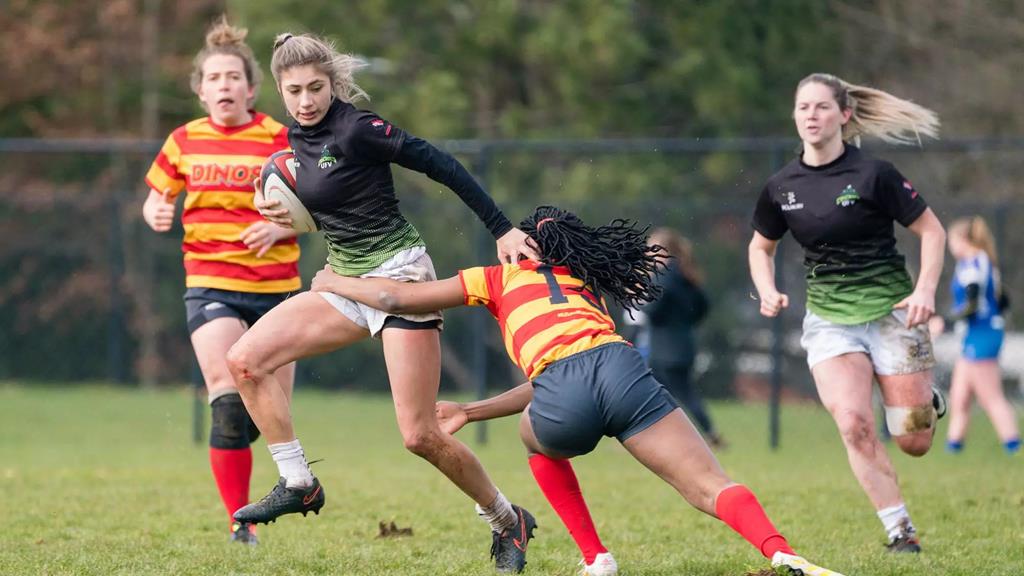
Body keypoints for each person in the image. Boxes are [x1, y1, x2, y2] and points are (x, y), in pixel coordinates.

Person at [310, 205, 847, 576]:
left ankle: (596, 557)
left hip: (563, 391)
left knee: (534, 439)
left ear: (521, 245)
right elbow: (571, 367)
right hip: (623, 371)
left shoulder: (496, 278)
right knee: (708, 484)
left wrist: (335, 282)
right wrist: (472, 412)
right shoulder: (582, 282)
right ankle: (781, 553)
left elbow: (398, 298)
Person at [225, 32, 539, 573]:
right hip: (343, 281)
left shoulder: (357, 128)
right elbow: (326, 200)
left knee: (419, 435)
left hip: (401, 274)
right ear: (279, 90)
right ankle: (298, 480)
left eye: (316, 88)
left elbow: (442, 165)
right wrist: (285, 219)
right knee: (245, 361)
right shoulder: (292, 138)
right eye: (295, 90)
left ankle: (509, 521)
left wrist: (502, 229)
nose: (306, 100)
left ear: (332, 83)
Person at [748, 73, 948, 553]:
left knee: (914, 442)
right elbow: (761, 247)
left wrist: (924, 289)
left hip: (893, 314)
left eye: (820, 107)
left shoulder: (875, 174)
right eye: (802, 108)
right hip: (830, 321)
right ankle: (900, 532)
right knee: (854, 423)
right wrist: (767, 289)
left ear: (844, 115)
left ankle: (928, 400)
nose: (810, 116)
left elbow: (934, 232)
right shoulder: (782, 186)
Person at [141, 16, 298, 546]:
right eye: (214, 78)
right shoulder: (183, 141)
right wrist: (156, 211)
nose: (224, 85)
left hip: (278, 290)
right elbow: (155, 198)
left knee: (266, 409)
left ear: (251, 88)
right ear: (201, 90)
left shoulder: (279, 136)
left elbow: (320, 204)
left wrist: (281, 227)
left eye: (234, 77)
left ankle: (275, 479)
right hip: (210, 283)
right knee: (228, 400)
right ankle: (241, 522)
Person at [930, 216, 1019, 454]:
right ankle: (953, 449)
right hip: (975, 335)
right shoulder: (976, 263)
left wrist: (945, 323)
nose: (950, 246)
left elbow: (971, 306)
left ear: (963, 240)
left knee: (991, 396)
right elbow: (1003, 300)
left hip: (983, 337)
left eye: (952, 241)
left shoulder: (974, 265)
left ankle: (1013, 446)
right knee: (960, 397)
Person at [643, 227, 723, 447]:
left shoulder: (663, 277)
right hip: (684, 345)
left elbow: (652, 310)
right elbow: (703, 305)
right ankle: (707, 433)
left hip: (664, 350)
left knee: (663, 395)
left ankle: (700, 436)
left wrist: (642, 299)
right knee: (682, 394)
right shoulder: (686, 274)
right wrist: (685, 323)